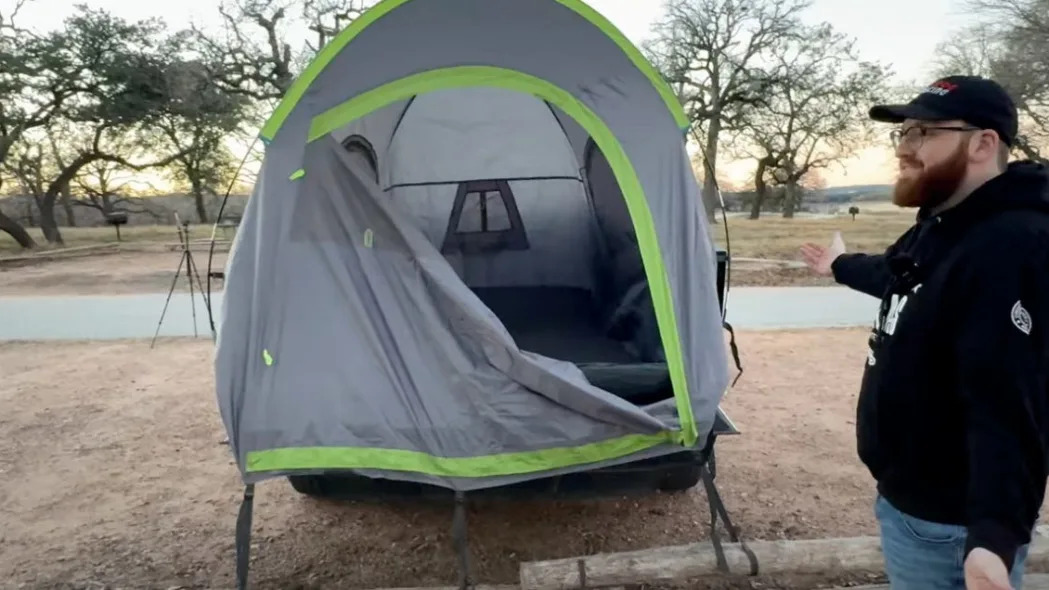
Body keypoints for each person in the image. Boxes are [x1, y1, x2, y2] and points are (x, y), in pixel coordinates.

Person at [800, 75, 1049, 590]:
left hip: (951, 530)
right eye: (904, 133)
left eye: (923, 133)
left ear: (983, 144)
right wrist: (840, 264)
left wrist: (993, 538)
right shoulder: (943, 223)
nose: (905, 149)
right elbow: (901, 275)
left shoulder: (1008, 246)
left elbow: (1009, 404)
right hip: (911, 505)